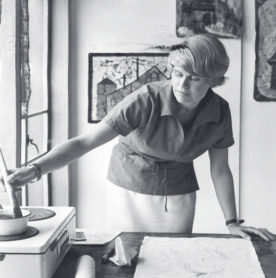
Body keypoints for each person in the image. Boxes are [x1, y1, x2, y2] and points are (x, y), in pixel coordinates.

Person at [2, 34, 274, 240]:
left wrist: (232, 223)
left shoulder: (220, 111)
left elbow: (220, 169)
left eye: (195, 79)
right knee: (127, 256)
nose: (182, 84)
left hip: (179, 191)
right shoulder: (147, 98)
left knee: (173, 257)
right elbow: (85, 142)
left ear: (213, 81)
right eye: (178, 74)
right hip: (128, 187)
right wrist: (35, 169)